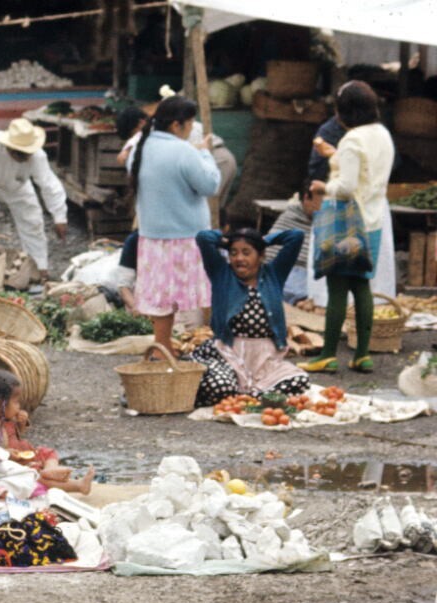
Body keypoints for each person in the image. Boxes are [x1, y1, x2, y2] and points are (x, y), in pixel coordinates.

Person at [303, 82, 394, 374]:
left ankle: (328, 355)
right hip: (373, 221)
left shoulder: (352, 139)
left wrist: (322, 186)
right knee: (362, 285)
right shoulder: (382, 134)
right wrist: (334, 156)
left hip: (347, 223)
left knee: (338, 288)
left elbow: (346, 186)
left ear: (345, 112)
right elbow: (364, 172)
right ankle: (362, 355)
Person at [127, 96, 219, 354]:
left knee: (161, 298)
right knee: (205, 290)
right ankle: (214, 342)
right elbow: (210, 185)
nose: (191, 129)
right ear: (177, 125)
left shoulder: (140, 148)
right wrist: (205, 153)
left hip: (152, 236)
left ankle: (162, 346)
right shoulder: (184, 151)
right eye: (190, 123)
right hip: (187, 236)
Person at [188, 227, 309, 406]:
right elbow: (203, 237)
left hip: (264, 357)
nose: (239, 258)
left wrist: (264, 241)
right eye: (233, 253)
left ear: (260, 256)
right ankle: (242, 393)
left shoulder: (274, 274)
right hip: (227, 352)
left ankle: (251, 395)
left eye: (246, 253)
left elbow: (296, 236)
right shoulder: (221, 274)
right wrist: (227, 241)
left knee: (299, 380)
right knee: (220, 386)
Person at [0, 118, 67, 285]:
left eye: (27, 154)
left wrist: (60, 217)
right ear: (8, 146)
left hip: (18, 186)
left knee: (33, 222)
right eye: (19, 154)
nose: (24, 158)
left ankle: (38, 270)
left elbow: (49, 185)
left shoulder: (37, 156)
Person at [0, 370, 94, 494]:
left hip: (21, 455)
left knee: (48, 453)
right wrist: (5, 454)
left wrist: (21, 424)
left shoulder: (4, 415)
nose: (19, 406)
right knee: (33, 478)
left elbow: (14, 435)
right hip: (6, 467)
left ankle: (50, 470)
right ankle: (77, 485)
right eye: (16, 402)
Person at [270, 183, 324, 301]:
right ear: (306, 198)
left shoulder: (326, 221)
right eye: (322, 201)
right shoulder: (290, 216)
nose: (325, 206)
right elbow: (271, 255)